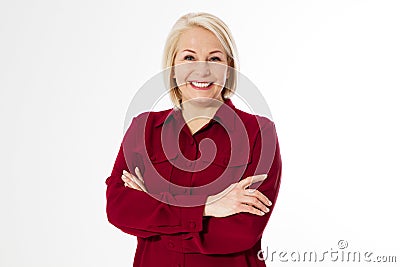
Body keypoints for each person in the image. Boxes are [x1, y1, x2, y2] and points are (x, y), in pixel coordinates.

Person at [105, 12, 282, 267]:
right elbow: (119, 208)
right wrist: (208, 207)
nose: (202, 69)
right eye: (189, 57)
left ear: (229, 69)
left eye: (214, 59)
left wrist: (156, 211)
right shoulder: (143, 130)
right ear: (173, 68)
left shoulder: (259, 134)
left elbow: (241, 232)